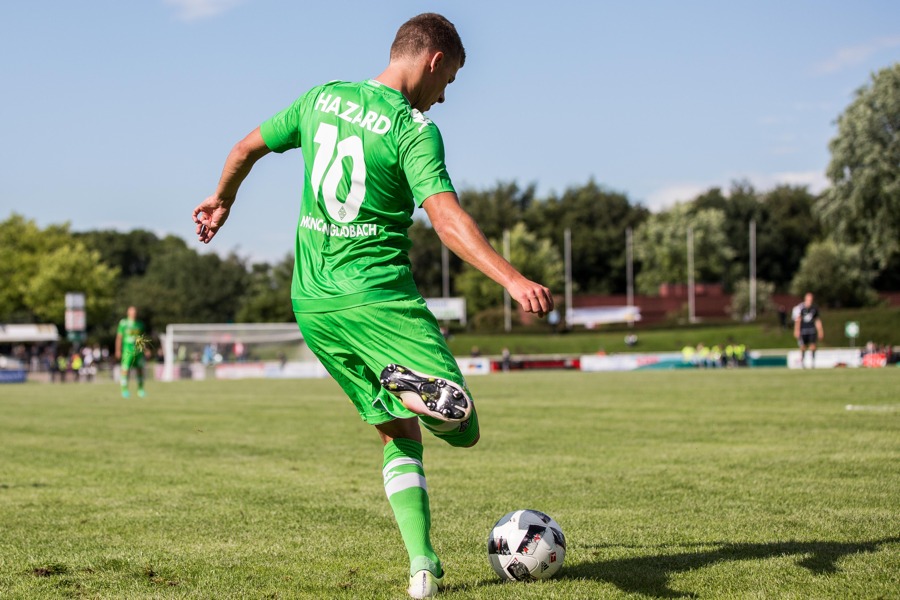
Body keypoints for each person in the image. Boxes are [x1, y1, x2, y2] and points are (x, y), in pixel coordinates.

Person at [191, 13, 553, 599]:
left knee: (397, 433)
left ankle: (423, 566)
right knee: (462, 429)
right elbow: (444, 218)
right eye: (450, 81)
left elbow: (244, 147)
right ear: (435, 61)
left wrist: (221, 200)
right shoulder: (413, 129)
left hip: (313, 304)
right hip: (378, 298)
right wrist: (510, 279)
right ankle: (409, 381)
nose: (443, 98)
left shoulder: (321, 99)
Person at [115, 306, 147, 398]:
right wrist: (117, 350)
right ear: (128, 313)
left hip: (138, 351)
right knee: (125, 370)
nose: (133, 314)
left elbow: (142, 338)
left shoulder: (140, 324)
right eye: (132, 312)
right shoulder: (123, 323)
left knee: (139, 370)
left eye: (135, 312)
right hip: (127, 351)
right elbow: (119, 337)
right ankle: (124, 390)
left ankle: (140, 390)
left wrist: (145, 349)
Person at [794, 292, 824, 369]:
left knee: (813, 346)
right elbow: (798, 320)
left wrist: (820, 331)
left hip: (812, 330)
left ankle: (812, 363)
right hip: (803, 330)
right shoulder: (801, 308)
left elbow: (817, 320)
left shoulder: (814, 308)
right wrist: (797, 330)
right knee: (803, 347)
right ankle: (803, 363)